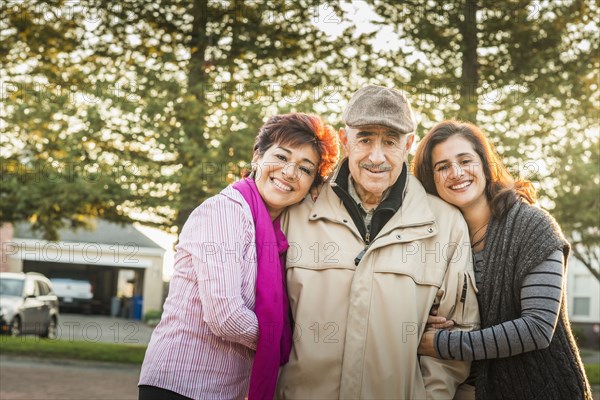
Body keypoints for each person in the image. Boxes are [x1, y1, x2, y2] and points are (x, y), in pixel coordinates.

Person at [276, 85, 479, 399]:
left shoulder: (446, 224)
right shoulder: (297, 211)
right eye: (365, 138)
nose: (376, 156)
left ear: (408, 145)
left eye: (390, 141)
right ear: (345, 141)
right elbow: (269, 317)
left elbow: (459, 333)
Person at [138, 113, 339, 400]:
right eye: (281, 157)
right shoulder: (225, 212)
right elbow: (226, 317)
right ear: (257, 156)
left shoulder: (276, 235)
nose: (290, 172)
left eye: (305, 169)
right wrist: (286, 341)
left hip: (223, 391)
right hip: (179, 385)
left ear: (311, 186)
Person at [413, 120, 592, 400]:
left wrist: (439, 343)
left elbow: (537, 328)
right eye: (442, 166)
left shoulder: (532, 225)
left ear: (485, 165)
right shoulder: (433, 238)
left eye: (465, 160)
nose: (456, 173)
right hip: (460, 390)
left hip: (539, 389)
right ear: (430, 179)